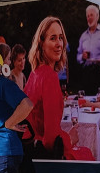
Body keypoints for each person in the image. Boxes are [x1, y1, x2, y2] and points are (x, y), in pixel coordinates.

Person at [24, 16, 69, 159]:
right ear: (41, 43)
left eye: (61, 38)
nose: (59, 44)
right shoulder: (49, 77)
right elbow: (51, 141)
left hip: (30, 154)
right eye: (53, 38)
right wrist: (71, 139)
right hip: (44, 159)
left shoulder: (34, 74)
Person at [76, 4, 100, 94]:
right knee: (87, 99)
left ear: (97, 16)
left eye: (91, 15)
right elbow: (78, 56)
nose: (89, 18)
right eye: (87, 16)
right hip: (87, 72)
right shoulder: (83, 36)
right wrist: (82, 57)